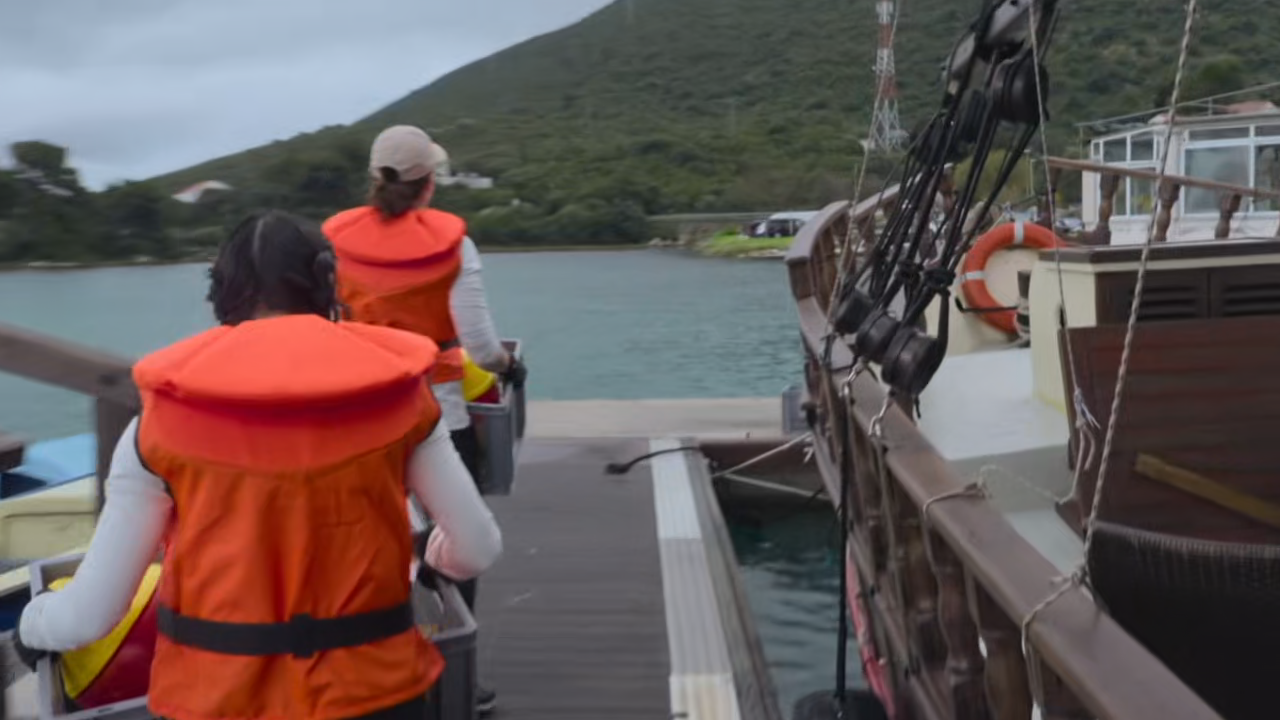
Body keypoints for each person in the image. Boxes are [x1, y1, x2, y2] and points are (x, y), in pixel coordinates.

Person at [12, 211, 502, 720]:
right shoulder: (402, 399)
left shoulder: (157, 424)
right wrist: (436, 558)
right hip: (380, 696)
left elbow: (89, 618)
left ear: (221, 292)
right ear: (327, 281)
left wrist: (32, 625)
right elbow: (478, 546)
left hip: (218, 703)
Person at [324, 125, 524, 715]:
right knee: (453, 537)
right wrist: (509, 365)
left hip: (359, 415)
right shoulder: (455, 245)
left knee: (370, 539)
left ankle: (372, 665)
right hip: (436, 414)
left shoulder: (335, 242)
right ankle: (455, 669)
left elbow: (325, 324)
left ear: (374, 177)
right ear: (429, 182)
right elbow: (481, 346)